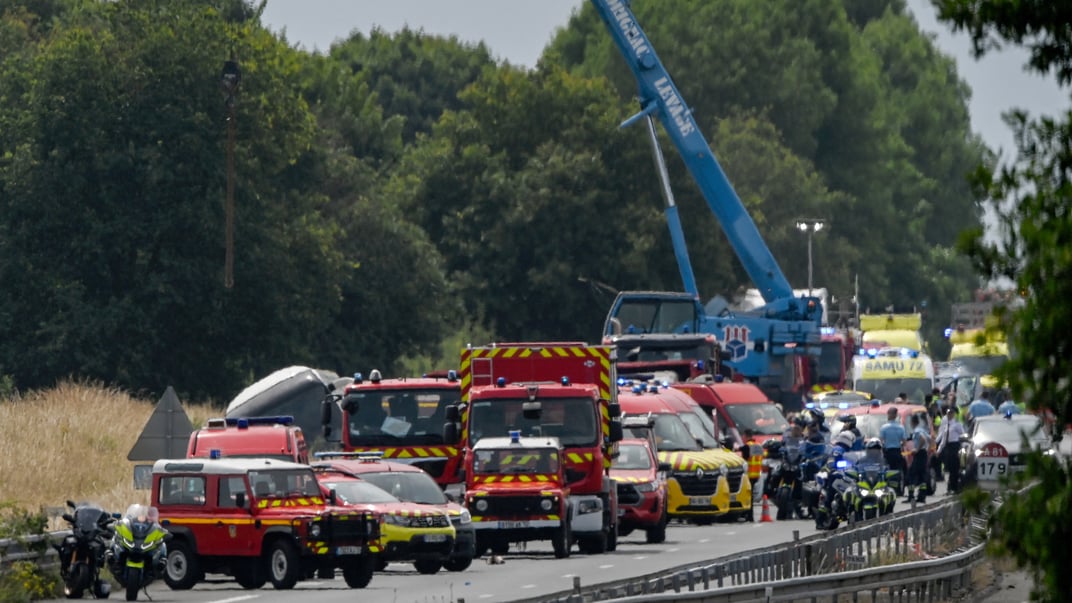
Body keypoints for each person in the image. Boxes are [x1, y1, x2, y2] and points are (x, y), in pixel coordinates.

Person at [934, 407, 966, 494]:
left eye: (951, 413)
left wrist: (963, 448)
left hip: (955, 447)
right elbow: (943, 440)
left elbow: (963, 435)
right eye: (948, 414)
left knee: (954, 468)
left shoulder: (957, 425)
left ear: (953, 414)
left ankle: (954, 487)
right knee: (949, 468)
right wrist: (938, 450)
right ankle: (950, 487)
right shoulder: (946, 427)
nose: (949, 415)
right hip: (948, 448)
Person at [879, 407, 907, 494]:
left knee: (887, 471)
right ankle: (897, 489)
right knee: (897, 471)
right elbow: (904, 442)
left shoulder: (884, 428)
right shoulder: (901, 428)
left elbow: (881, 441)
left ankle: (888, 489)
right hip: (897, 451)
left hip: (887, 452)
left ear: (891, 415)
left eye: (888, 414)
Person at [905, 414, 930, 503]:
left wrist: (917, 449)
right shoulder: (923, 430)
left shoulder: (916, 431)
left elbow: (923, 439)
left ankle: (911, 496)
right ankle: (922, 496)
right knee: (922, 475)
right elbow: (929, 439)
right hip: (924, 454)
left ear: (912, 422)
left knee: (911, 475)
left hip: (919, 454)